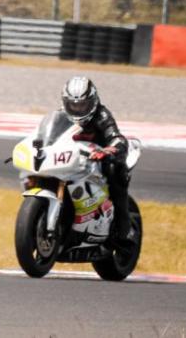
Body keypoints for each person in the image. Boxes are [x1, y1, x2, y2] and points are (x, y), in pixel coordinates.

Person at [60, 76, 135, 246]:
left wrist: (109, 150)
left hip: (101, 159)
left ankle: (125, 230)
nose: (77, 109)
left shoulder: (102, 115)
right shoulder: (61, 116)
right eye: (73, 105)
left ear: (92, 101)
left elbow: (118, 138)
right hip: (75, 158)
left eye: (82, 105)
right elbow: (47, 135)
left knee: (116, 175)